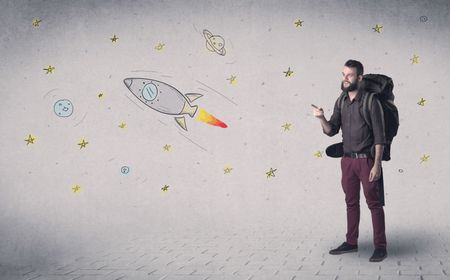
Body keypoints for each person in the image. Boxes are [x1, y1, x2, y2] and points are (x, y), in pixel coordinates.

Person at [312, 60, 387, 262]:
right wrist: (321, 117)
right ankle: (351, 242)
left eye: (350, 75)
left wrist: (377, 164)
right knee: (351, 203)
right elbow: (331, 131)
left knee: (374, 204)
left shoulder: (371, 101)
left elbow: (380, 137)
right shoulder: (341, 101)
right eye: (343, 74)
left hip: (367, 162)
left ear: (359, 78)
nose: (345, 78)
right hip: (347, 161)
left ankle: (380, 246)